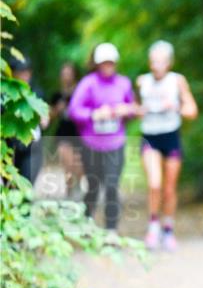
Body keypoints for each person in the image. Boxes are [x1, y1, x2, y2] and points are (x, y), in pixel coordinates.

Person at [67, 42, 139, 233]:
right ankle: (86, 223)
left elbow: (132, 109)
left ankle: (111, 230)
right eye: (104, 63)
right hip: (91, 143)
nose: (108, 66)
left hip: (115, 143)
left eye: (111, 63)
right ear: (97, 64)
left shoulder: (124, 83)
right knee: (93, 185)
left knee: (112, 185)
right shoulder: (88, 83)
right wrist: (94, 114)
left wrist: (126, 110)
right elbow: (73, 110)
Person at [136, 40, 199, 251]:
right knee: (155, 184)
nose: (157, 65)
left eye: (161, 61)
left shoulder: (177, 81)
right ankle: (153, 226)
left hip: (171, 135)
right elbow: (132, 107)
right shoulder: (141, 82)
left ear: (169, 63)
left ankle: (168, 229)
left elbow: (192, 110)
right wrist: (137, 110)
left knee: (170, 188)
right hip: (150, 137)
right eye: (154, 61)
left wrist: (177, 106)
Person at [47, 62, 85, 199]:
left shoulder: (80, 93)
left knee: (79, 167)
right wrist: (57, 109)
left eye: (69, 74)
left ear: (74, 75)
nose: (66, 77)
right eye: (64, 74)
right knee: (67, 166)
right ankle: (69, 195)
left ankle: (79, 190)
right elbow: (49, 117)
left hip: (79, 133)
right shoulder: (57, 95)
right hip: (63, 133)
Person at [7, 57, 47, 184]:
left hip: (32, 146)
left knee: (26, 186)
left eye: (27, 71)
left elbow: (45, 119)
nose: (25, 75)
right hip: (9, 146)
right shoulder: (5, 93)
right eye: (21, 71)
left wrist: (42, 117)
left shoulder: (37, 93)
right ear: (12, 73)